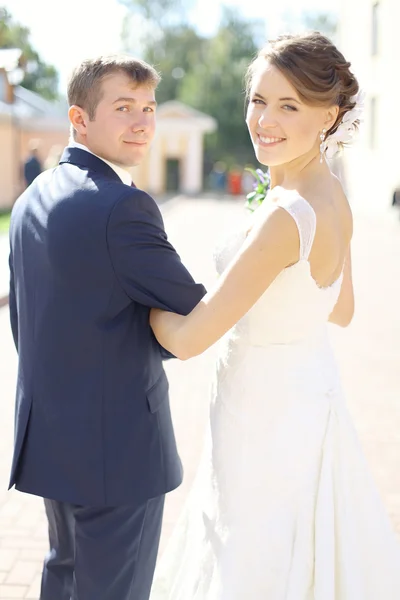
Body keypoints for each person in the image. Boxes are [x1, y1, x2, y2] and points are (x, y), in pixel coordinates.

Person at [149, 33, 400, 598]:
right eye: (258, 99)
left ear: (329, 116)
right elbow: (342, 310)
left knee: (251, 552)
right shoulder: (334, 197)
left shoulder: (285, 216)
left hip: (258, 411)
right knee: (293, 547)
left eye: (289, 105)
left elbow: (189, 340)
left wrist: (134, 300)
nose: (264, 119)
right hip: (310, 396)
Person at [8, 55, 206, 600]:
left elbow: (26, 323)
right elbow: (189, 309)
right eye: (124, 108)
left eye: (148, 108)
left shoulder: (30, 199)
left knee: (65, 575)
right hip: (118, 452)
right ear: (79, 118)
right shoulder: (123, 206)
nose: (142, 121)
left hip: (52, 439)